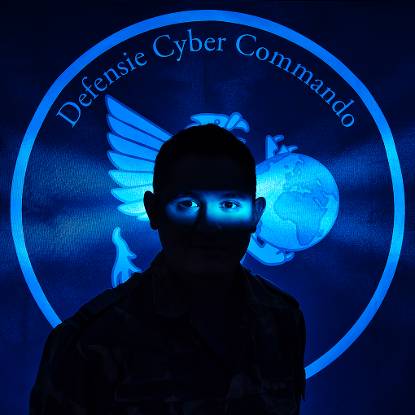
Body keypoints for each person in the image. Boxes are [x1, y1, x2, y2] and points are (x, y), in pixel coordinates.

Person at [30, 124, 306, 415]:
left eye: (229, 204)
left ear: (255, 214)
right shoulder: (88, 343)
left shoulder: (282, 320)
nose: (209, 225)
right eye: (187, 204)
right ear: (153, 210)